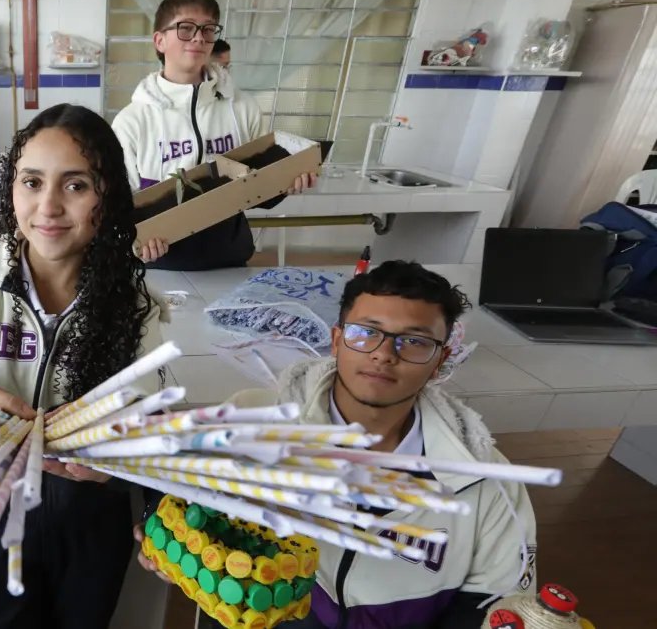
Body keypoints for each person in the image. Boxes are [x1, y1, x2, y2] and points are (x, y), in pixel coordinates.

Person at [136, 261, 538, 628]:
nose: (384, 354)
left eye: (414, 342)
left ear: (440, 361)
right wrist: (168, 540)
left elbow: (496, 602)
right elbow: (184, 503)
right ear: (337, 339)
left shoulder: (486, 482)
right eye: (366, 333)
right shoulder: (250, 424)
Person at [0, 103, 166, 628]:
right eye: (32, 181)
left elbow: (153, 423)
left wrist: (120, 467)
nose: (49, 206)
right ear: (12, 190)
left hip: (91, 520)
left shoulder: (135, 304)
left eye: (76, 185)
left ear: (108, 198)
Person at [113, 0, 314, 270]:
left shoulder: (242, 108)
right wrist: (134, 243)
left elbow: (258, 190)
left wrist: (285, 184)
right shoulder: (132, 121)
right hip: (159, 264)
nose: (198, 37)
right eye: (185, 28)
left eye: (208, 29)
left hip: (228, 259)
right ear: (159, 40)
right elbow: (121, 206)